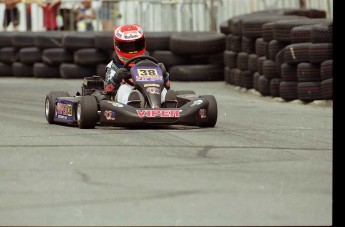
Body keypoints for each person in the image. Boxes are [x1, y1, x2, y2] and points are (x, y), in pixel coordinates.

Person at [103, 24, 173, 107]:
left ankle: (168, 105)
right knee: (124, 89)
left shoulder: (151, 64)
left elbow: (167, 86)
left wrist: (164, 75)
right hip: (122, 102)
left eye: (136, 45)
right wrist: (116, 78)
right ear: (117, 46)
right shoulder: (113, 66)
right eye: (127, 47)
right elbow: (107, 89)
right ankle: (133, 105)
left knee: (162, 90)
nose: (132, 50)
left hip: (150, 94)